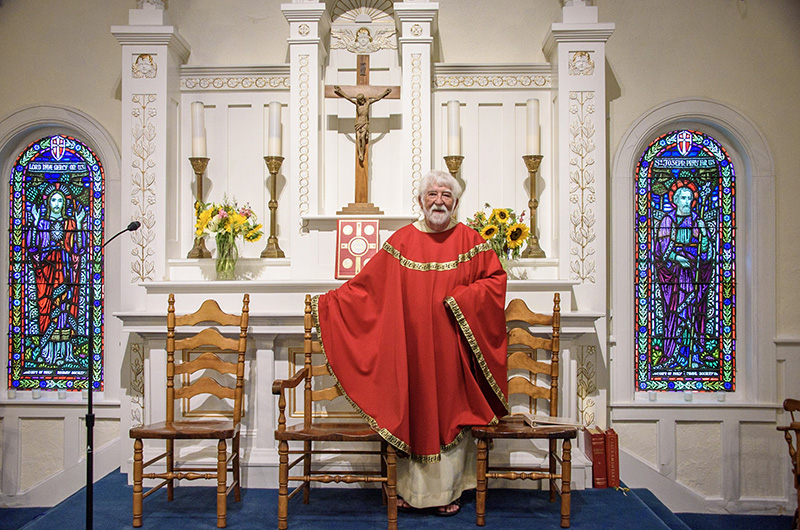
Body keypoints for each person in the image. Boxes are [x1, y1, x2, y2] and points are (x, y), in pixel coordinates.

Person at [313, 170, 509, 516]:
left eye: (446, 195)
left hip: (453, 351)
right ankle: (406, 491)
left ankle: (447, 493)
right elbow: (367, 287)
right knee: (410, 410)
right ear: (420, 201)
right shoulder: (401, 241)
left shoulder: (472, 242)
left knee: (448, 415)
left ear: (457, 202)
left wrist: (463, 299)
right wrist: (330, 305)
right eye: (432, 194)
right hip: (409, 348)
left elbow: (494, 282)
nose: (438, 201)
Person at [654, 181, 715, 369]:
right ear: (675, 200)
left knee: (693, 312)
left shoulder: (697, 220)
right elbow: (661, 249)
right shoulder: (668, 220)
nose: (687, 201)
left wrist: (704, 235)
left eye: (690, 198)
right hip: (675, 275)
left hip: (693, 274)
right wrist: (677, 258)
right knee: (675, 312)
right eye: (683, 197)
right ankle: (671, 354)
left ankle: (695, 354)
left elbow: (706, 253)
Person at [27, 189, 87, 366]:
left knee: (65, 309)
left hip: (66, 271)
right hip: (47, 274)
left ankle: (67, 352)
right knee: (48, 309)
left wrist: (78, 222)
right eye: (53, 200)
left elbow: (78, 249)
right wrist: (36, 222)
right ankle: (48, 354)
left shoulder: (70, 223)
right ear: (48, 203)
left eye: (60, 201)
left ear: (64, 204)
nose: (57, 204)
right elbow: (33, 247)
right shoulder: (43, 223)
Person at [333, 85, 392, 165]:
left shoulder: (367, 103)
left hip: (364, 123)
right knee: (358, 138)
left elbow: (377, 98)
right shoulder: (357, 104)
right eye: (358, 100)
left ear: (363, 99)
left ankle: (362, 152)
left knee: (362, 137)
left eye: (360, 100)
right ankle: (360, 153)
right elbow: (348, 98)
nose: (360, 102)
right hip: (358, 123)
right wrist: (340, 91)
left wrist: (385, 92)